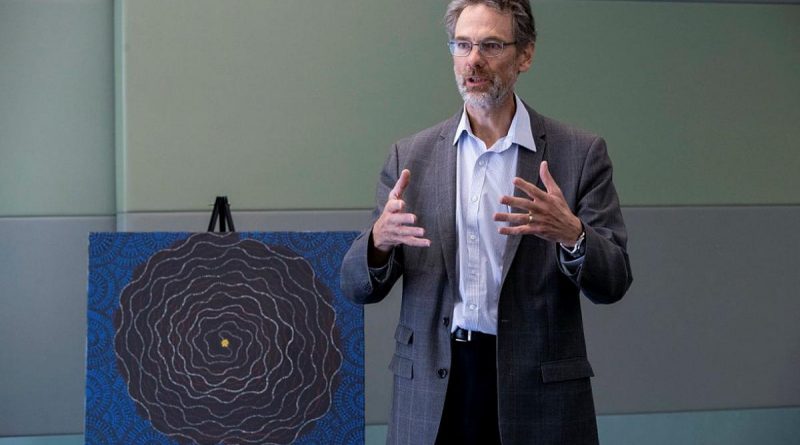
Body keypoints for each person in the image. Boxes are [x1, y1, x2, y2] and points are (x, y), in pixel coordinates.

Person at [340, 1, 632, 443]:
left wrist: (573, 235)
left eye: (491, 45)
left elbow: (614, 281)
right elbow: (356, 286)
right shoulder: (410, 157)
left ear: (525, 55)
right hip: (433, 390)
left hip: (539, 392)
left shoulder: (579, 153)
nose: (473, 59)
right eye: (463, 44)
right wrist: (378, 242)